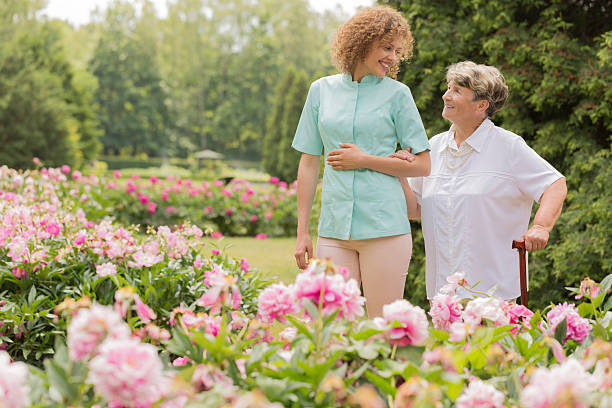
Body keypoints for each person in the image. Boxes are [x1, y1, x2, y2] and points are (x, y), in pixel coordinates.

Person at [291, 6, 431, 317]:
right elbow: (309, 163)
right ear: (361, 42)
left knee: (382, 326)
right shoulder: (320, 91)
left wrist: (365, 160)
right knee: (330, 324)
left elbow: (422, 164)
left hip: (385, 228)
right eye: (386, 47)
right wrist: (303, 231)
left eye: (397, 50)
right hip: (333, 229)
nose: (393, 57)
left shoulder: (398, 95)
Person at [394, 61, 567, 301]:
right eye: (448, 87)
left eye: (457, 91)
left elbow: (555, 185)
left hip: (495, 295)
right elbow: (414, 209)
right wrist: (400, 173)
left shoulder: (508, 146)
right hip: (444, 296)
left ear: (481, 105)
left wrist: (541, 226)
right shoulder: (433, 147)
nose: (446, 95)